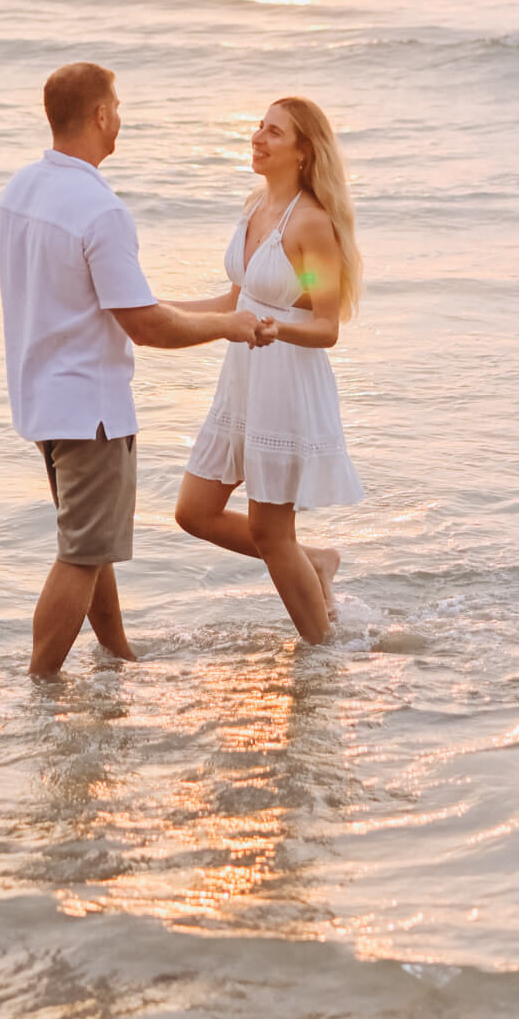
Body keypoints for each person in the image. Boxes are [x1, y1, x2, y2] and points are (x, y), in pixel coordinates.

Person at [0, 62, 269, 677]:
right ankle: (41, 685)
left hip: (42, 400)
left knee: (94, 546)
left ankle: (118, 657)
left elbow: (110, 304)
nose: (120, 117)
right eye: (116, 106)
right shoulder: (101, 210)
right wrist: (229, 326)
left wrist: (222, 306)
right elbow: (144, 326)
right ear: (99, 115)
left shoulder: (19, 191)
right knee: (82, 554)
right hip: (91, 411)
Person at [174, 96, 364, 645]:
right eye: (259, 127)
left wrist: (277, 329)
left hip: (285, 380)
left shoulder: (312, 225)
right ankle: (316, 560)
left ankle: (323, 656)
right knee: (195, 512)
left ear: (304, 151)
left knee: (270, 530)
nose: (257, 137)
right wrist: (150, 310)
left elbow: (326, 325)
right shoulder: (256, 205)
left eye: (274, 132)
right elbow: (234, 300)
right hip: (243, 375)